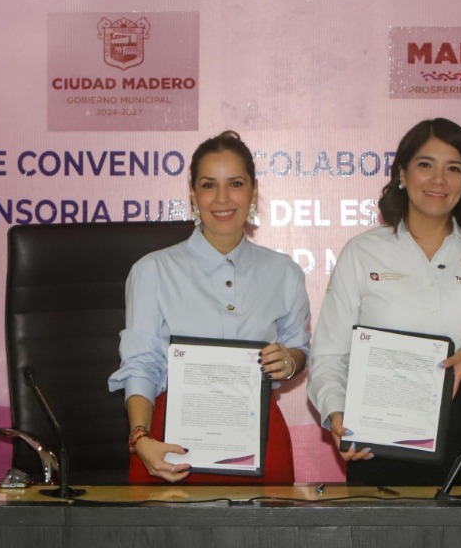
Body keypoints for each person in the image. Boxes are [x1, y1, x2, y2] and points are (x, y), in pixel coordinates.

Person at [309, 118, 461, 487]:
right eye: (425, 165)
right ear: (402, 173)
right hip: (379, 423)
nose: (439, 180)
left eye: (453, 169)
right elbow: (327, 357)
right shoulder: (362, 252)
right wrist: (337, 414)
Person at [111, 131, 311, 485]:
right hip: (168, 447)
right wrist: (141, 437)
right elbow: (141, 364)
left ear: (253, 192)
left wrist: (290, 361)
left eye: (235, 184)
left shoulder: (285, 272)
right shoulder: (152, 270)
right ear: (193, 194)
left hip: (260, 439)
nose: (222, 198)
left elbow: (299, 349)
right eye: (208, 185)